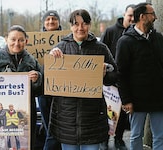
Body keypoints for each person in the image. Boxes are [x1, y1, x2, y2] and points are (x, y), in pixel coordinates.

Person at [48, 9, 118, 150]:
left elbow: (115, 76)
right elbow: (47, 80)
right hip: (66, 117)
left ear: (90, 25)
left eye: (84, 24)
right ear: (70, 26)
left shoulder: (101, 48)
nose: (80, 28)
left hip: (92, 117)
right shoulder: (60, 48)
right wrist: (51, 60)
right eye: (76, 24)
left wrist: (105, 73)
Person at [115, 2, 163, 150]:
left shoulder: (159, 39)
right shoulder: (125, 41)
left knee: (160, 135)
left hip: (158, 98)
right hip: (136, 101)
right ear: (142, 17)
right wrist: (126, 99)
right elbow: (120, 74)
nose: (155, 17)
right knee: (136, 135)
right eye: (152, 14)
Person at [100, 4, 135, 150]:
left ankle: (119, 139)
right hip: (110, 80)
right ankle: (104, 139)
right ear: (124, 15)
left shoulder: (136, 34)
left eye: (135, 16)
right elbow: (100, 50)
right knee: (107, 112)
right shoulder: (110, 31)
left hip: (127, 82)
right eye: (130, 15)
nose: (132, 19)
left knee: (122, 114)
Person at [38, 10, 62, 150]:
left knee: (58, 132)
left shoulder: (66, 39)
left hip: (61, 92)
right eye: (48, 19)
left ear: (58, 22)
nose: (51, 22)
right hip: (43, 92)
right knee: (50, 130)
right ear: (44, 23)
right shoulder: (36, 41)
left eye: (54, 19)